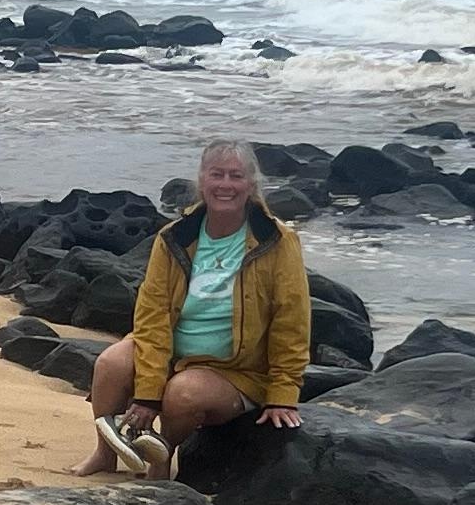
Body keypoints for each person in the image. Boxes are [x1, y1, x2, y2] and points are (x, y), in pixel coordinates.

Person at [74, 138, 310, 479]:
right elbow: (152, 318)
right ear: (201, 181)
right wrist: (148, 395)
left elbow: (292, 321)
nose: (225, 185)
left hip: (234, 370)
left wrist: (283, 395)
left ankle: (158, 460)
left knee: (182, 394)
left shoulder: (278, 241)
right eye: (217, 175)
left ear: (251, 185)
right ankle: (104, 454)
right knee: (111, 364)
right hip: (170, 352)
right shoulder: (174, 237)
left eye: (236, 176)